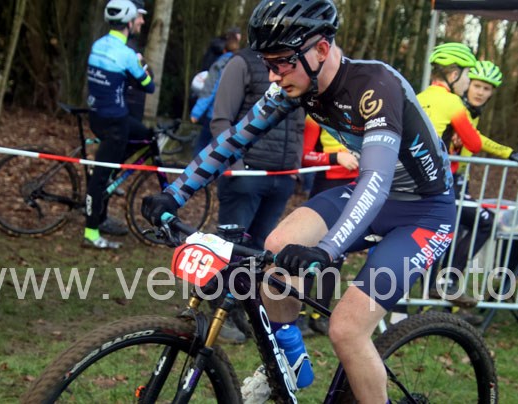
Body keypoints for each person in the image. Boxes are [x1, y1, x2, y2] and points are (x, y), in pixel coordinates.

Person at [143, 1, 456, 400]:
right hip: (373, 196)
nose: (273, 75)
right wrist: (175, 192)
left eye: (282, 62)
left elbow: (375, 180)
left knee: (346, 329)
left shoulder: (376, 86)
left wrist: (326, 250)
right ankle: (291, 362)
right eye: (267, 63)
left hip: (424, 213)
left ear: (321, 50)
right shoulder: (297, 87)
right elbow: (234, 140)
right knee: (276, 247)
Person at [416, 49, 518, 307]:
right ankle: (443, 284)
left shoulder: (460, 107)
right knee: (481, 223)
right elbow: (475, 140)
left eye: (487, 89)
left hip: (455, 179)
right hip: (445, 180)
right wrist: (509, 153)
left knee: (451, 231)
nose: (480, 92)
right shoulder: (455, 104)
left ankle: (440, 295)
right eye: (476, 85)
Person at [208, 45, 306, 344]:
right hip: (245, 176)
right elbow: (221, 119)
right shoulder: (242, 63)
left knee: (259, 252)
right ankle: (217, 311)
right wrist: (236, 168)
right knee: (232, 249)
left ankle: (240, 308)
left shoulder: (300, 67)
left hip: (281, 177)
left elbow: (298, 124)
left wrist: (293, 168)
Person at [84, 0, 155, 249]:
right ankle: (91, 233)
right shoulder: (127, 55)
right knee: (100, 177)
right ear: (129, 22)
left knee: (147, 134)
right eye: (138, 19)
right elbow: (149, 85)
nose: (140, 23)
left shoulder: (98, 44)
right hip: (114, 122)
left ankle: (111, 175)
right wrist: (140, 65)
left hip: (98, 116)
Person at [297, 115, 359, 335]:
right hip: (326, 186)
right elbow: (304, 155)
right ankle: (299, 312)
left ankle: (320, 313)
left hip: (357, 186)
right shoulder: (317, 115)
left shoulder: (366, 113)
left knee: (338, 252)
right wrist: (335, 157)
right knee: (312, 250)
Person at [190, 36, 240, 156]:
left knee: (201, 147)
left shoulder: (219, 65)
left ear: (224, 50)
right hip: (231, 115)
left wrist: (196, 113)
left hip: (214, 114)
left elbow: (210, 90)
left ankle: (196, 167)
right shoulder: (241, 66)